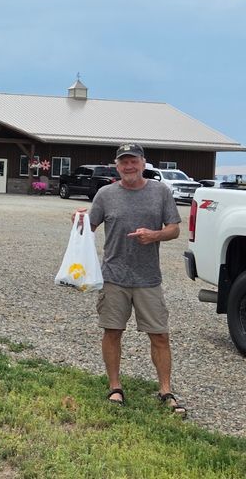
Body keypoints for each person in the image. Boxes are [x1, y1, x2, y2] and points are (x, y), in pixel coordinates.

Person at [74, 143, 186, 415]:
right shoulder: (105, 194)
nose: (129, 166)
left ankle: (166, 390)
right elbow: (89, 227)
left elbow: (174, 229)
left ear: (144, 162)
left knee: (159, 335)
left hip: (148, 279)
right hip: (113, 277)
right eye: (123, 162)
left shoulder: (160, 192)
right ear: (116, 165)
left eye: (133, 161)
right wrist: (78, 220)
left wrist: (155, 235)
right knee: (112, 332)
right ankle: (115, 387)